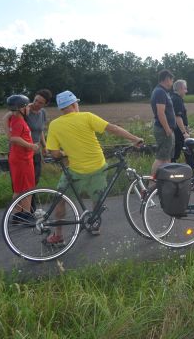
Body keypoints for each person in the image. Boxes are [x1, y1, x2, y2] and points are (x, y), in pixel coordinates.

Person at [45, 90, 143, 243]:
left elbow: (55, 153)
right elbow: (113, 129)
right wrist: (135, 138)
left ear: (61, 108)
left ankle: (58, 235)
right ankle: (95, 224)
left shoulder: (55, 125)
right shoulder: (87, 117)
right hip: (98, 167)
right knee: (98, 198)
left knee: (60, 200)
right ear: (73, 104)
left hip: (75, 170)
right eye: (76, 103)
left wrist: (66, 152)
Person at [3, 89, 52, 188]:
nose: (36, 103)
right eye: (36, 100)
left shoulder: (43, 113)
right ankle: (20, 203)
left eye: (40, 102)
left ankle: (30, 203)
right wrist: (10, 137)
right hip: (22, 152)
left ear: (45, 104)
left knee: (34, 180)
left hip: (35, 151)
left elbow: (40, 130)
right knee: (20, 184)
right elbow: (5, 118)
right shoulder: (24, 109)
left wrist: (44, 146)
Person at [6, 94, 39, 224]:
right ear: (21, 108)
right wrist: (31, 145)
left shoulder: (15, 118)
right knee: (24, 189)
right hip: (22, 160)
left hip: (22, 159)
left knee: (22, 188)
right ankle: (24, 215)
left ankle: (18, 215)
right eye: (27, 106)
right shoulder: (18, 121)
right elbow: (14, 138)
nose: (29, 108)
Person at [150, 69, 176, 177]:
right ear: (167, 79)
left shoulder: (161, 91)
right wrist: (167, 129)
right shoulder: (160, 92)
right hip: (164, 129)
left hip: (165, 129)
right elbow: (161, 113)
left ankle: (164, 183)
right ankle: (151, 186)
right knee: (161, 158)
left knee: (166, 158)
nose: (172, 83)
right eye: (172, 80)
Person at [170, 79, 194, 169]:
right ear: (180, 88)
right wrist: (184, 133)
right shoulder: (177, 100)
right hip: (179, 132)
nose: (186, 91)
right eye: (185, 89)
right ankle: (192, 173)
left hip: (175, 131)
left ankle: (188, 172)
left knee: (184, 153)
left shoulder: (173, 97)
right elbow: (178, 117)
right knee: (187, 153)